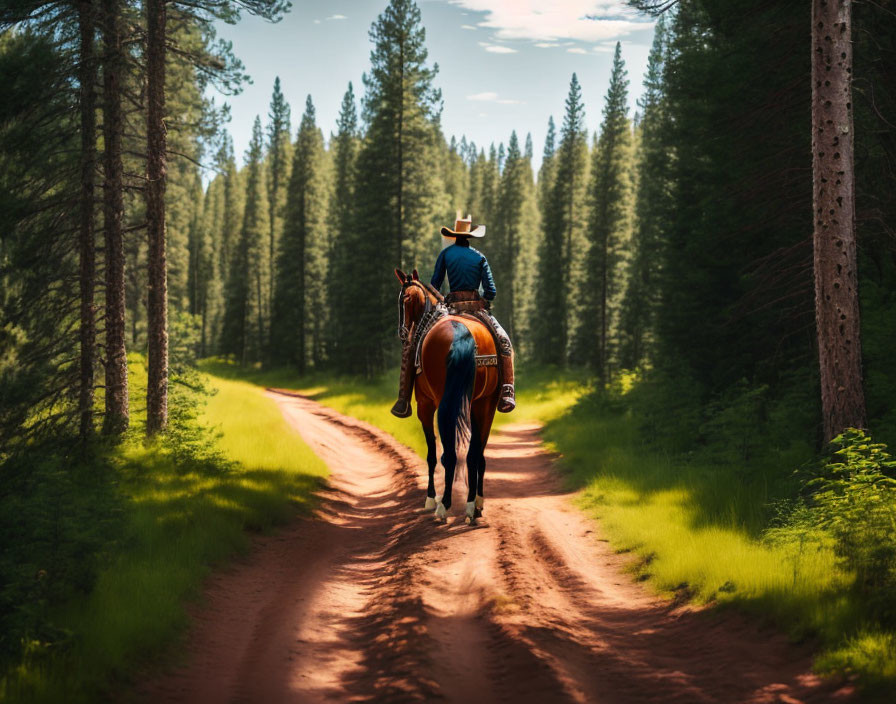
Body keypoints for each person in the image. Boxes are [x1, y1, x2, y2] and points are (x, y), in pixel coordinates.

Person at [391, 215, 515, 417]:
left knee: (414, 344)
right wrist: (483, 299)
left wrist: (444, 299)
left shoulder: (446, 255)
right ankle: (507, 390)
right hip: (476, 309)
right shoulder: (479, 257)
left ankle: (404, 399)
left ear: (454, 236)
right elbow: (491, 291)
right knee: (503, 341)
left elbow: (434, 285)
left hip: (452, 308)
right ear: (469, 237)